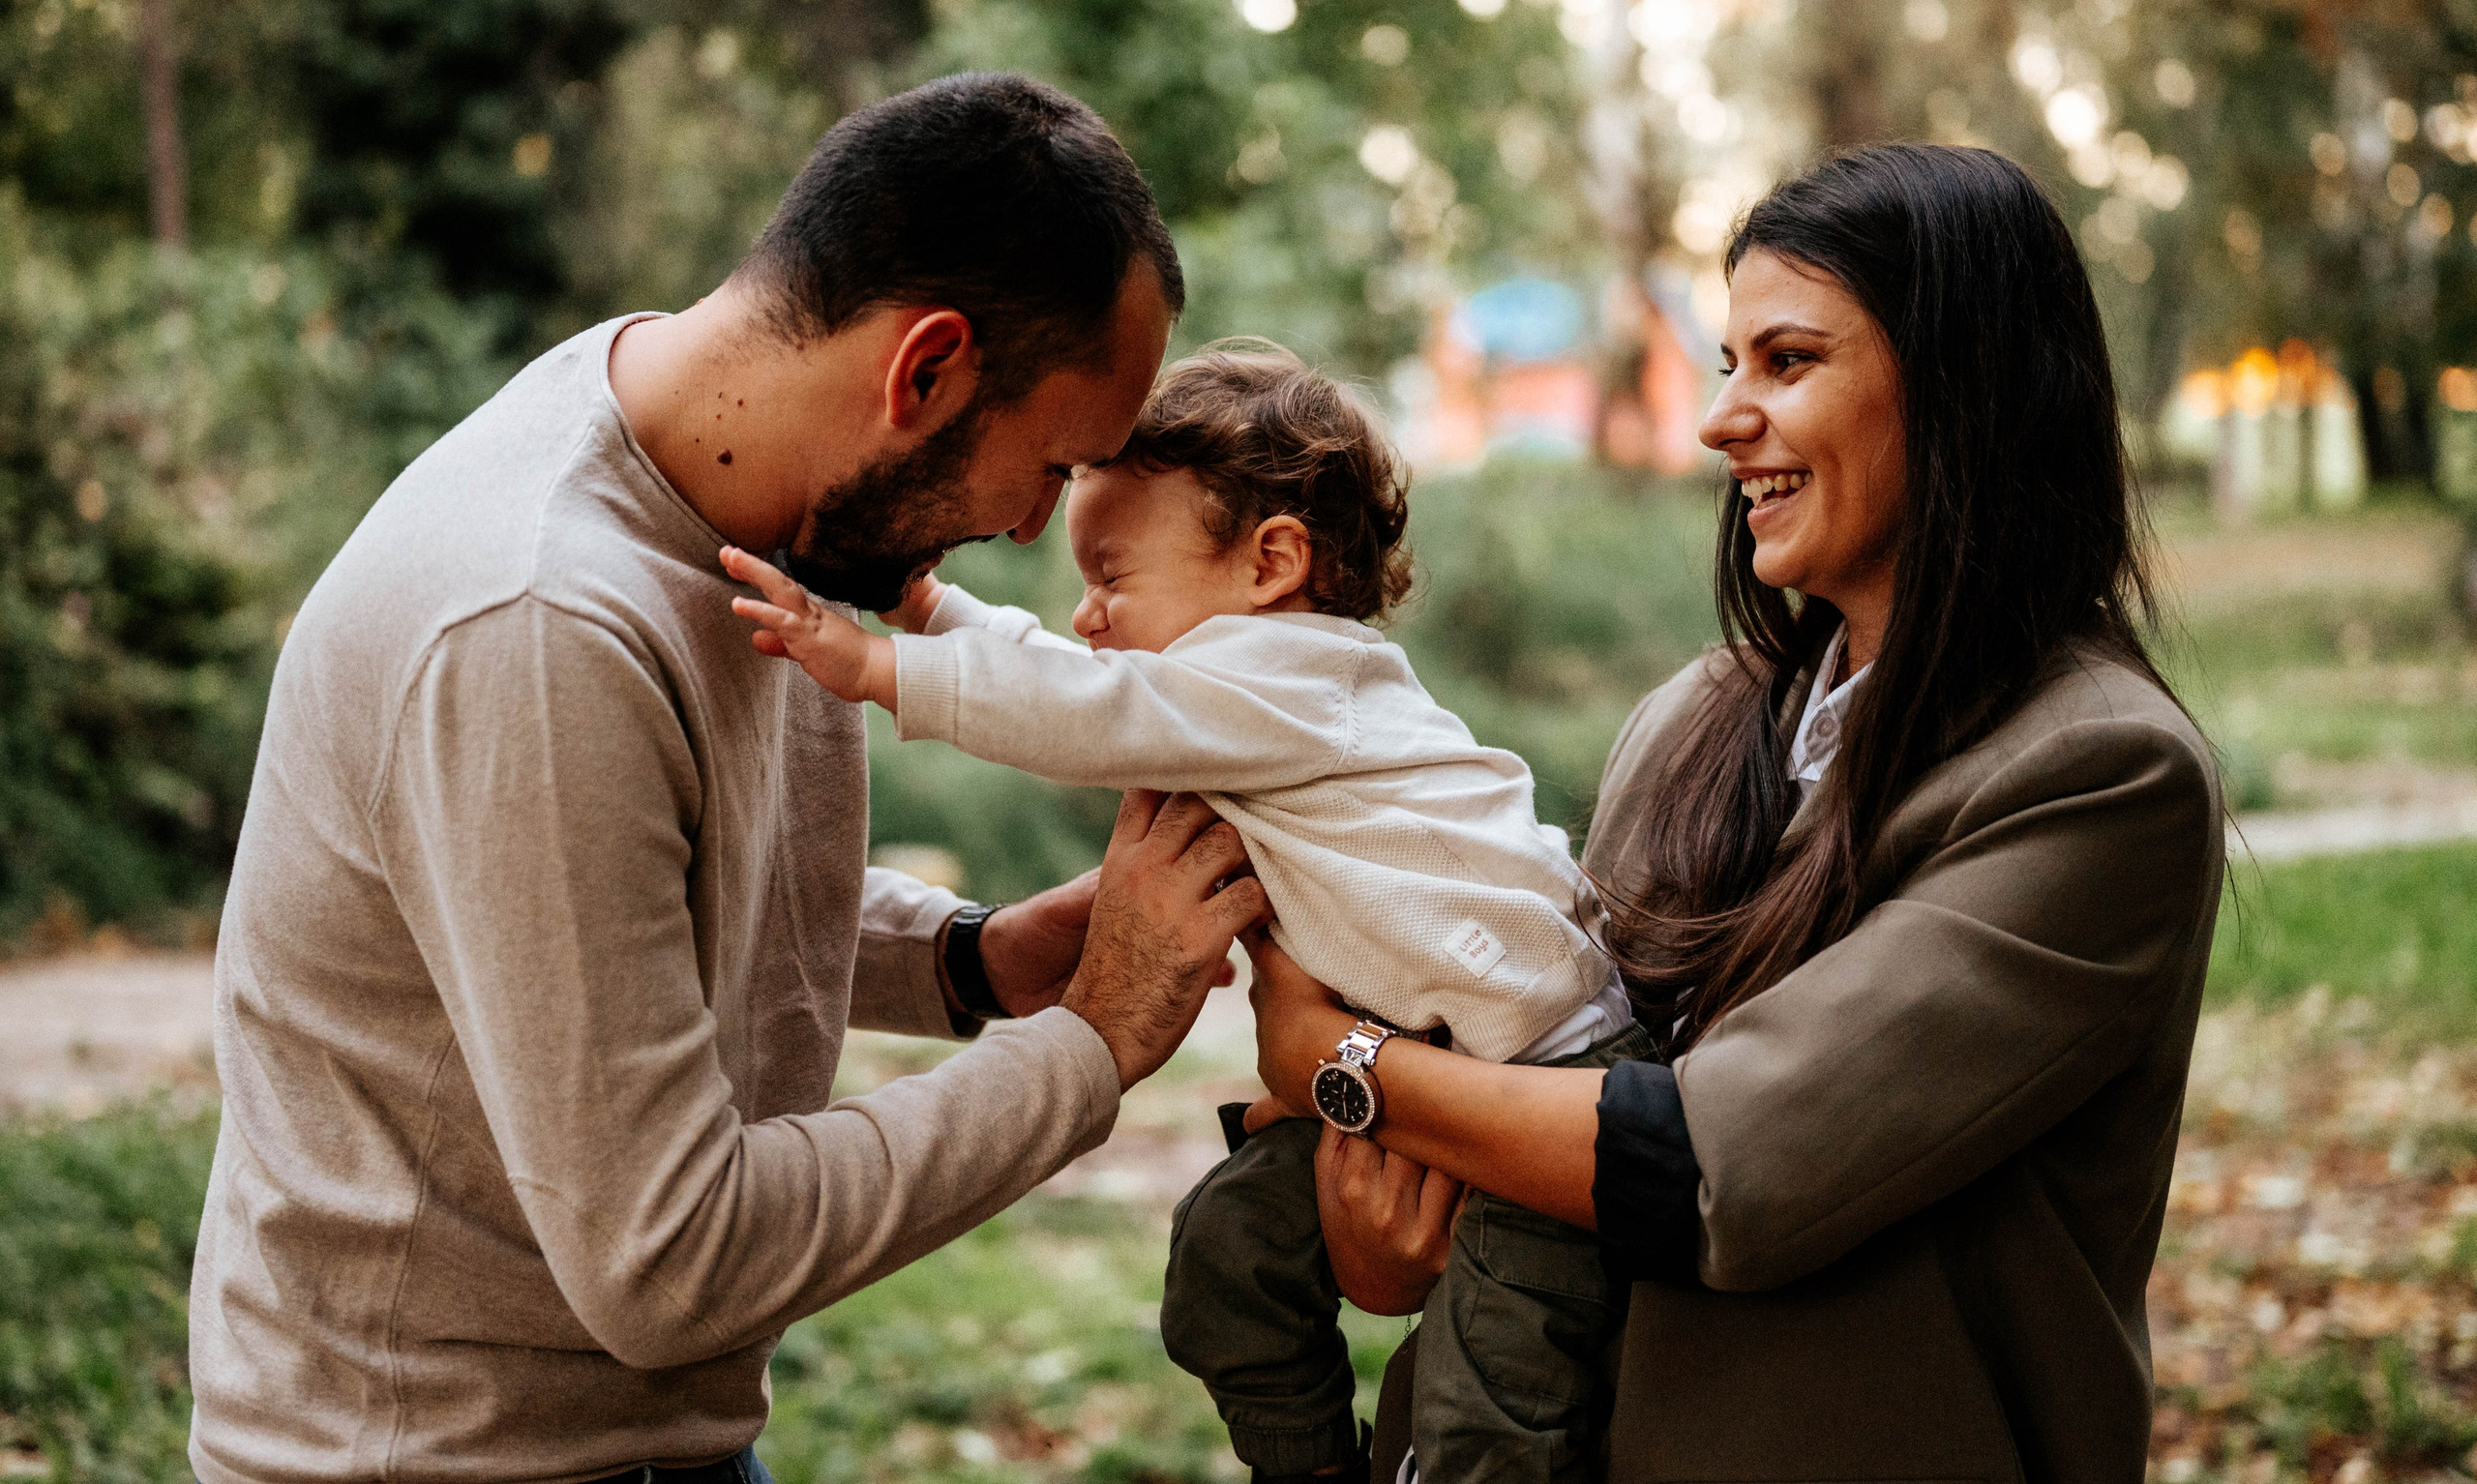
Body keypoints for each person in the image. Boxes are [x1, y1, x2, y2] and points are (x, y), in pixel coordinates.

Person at [188, 73, 1270, 1484]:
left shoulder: (728, 477)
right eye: (1052, 465)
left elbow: (639, 885)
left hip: (640, 1445)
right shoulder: (537, 623)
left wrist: (974, 957)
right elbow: (670, 1258)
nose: (1027, 525)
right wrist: (1095, 1041)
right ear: (926, 367)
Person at [1241, 144, 2226, 1483]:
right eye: (1728, 363)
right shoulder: (1695, 718)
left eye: (1789, 360)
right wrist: (1376, 1228)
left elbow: (1723, 1163)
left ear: (1962, 386)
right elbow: (1527, 1088)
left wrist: (1334, 1062)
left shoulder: (2101, 773)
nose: (1721, 420)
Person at [722, 341, 1645, 1484]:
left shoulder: (1296, 678)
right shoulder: (1234, 691)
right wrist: (930, 605)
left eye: (1113, 577)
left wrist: (875, 667)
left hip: (1542, 1081)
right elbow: (1084, 682)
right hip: (1420, 1067)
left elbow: (1086, 711)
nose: (1086, 611)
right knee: (1225, 1255)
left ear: (1272, 562)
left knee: (1485, 1422)